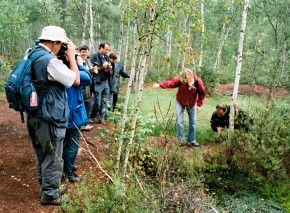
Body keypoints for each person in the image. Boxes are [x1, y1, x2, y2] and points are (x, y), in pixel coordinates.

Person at [26, 26, 80, 205]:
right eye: (61, 45)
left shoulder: (31, 54)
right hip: (50, 117)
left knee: (41, 152)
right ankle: (50, 194)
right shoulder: (50, 61)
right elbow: (75, 79)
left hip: (34, 114)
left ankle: (47, 186)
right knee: (52, 155)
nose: (62, 48)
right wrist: (71, 56)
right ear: (55, 42)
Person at [153, 68, 206, 147]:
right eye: (183, 80)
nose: (184, 82)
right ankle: (181, 140)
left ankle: (192, 140)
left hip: (192, 103)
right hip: (180, 101)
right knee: (179, 121)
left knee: (193, 122)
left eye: (186, 81)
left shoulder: (198, 82)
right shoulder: (179, 79)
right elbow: (170, 83)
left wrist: (199, 105)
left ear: (190, 78)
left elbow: (202, 93)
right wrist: (160, 85)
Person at [62, 56, 91, 182]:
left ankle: (64, 169)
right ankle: (68, 172)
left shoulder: (55, 67)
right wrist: (79, 63)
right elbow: (87, 78)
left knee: (62, 144)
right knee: (72, 144)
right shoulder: (71, 72)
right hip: (72, 114)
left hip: (60, 113)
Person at [89, 42, 112, 125]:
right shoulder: (94, 56)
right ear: (101, 48)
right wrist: (103, 67)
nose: (107, 51)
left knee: (105, 101)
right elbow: (91, 69)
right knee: (97, 101)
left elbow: (108, 70)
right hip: (97, 82)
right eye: (106, 49)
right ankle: (91, 116)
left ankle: (101, 118)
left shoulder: (107, 57)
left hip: (105, 82)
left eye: (108, 49)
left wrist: (109, 68)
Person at [78, 44, 97, 131]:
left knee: (88, 104)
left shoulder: (88, 61)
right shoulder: (78, 61)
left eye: (86, 52)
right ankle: (81, 124)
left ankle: (84, 123)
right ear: (79, 52)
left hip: (88, 86)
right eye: (82, 52)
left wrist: (92, 69)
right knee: (82, 104)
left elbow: (89, 71)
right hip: (81, 86)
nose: (84, 53)